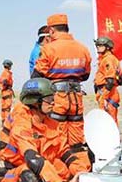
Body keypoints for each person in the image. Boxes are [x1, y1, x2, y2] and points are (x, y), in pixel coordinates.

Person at [0, 78, 83, 182]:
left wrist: (80, 172)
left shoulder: (51, 123)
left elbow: (65, 152)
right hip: (17, 174)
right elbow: (32, 158)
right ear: (35, 102)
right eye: (49, 99)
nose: (54, 102)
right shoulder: (22, 122)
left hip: (42, 172)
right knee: (29, 177)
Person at [32, 14, 91, 147]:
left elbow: (37, 76)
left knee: (57, 137)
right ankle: (78, 164)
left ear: (51, 30)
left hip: (57, 99)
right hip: (76, 99)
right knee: (76, 140)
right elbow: (86, 75)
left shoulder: (48, 49)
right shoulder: (83, 48)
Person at [93, 36, 122, 124]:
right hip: (105, 92)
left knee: (109, 120)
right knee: (105, 119)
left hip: (108, 93)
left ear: (107, 47)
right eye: (97, 45)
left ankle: (113, 137)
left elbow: (110, 80)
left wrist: (104, 97)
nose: (98, 47)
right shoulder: (104, 59)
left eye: (100, 45)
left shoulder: (108, 59)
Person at [0, 59, 14, 125]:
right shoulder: (7, 73)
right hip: (7, 92)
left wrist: (2, 88)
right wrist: (4, 87)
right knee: (7, 108)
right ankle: (8, 122)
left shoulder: (3, 73)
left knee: (4, 108)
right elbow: (5, 81)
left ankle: (4, 122)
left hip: (4, 92)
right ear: (9, 66)